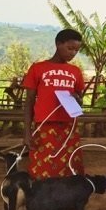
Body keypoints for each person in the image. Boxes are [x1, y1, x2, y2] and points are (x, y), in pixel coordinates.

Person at [22, 29, 86, 184]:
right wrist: (27, 131)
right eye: (70, 48)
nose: (73, 53)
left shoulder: (75, 71)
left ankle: (66, 204)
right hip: (44, 126)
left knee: (69, 164)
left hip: (68, 126)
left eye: (76, 50)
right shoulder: (37, 68)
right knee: (43, 165)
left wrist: (77, 99)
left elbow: (79, 98)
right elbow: (29, 101)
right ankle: (42, 203)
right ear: (58, 44)